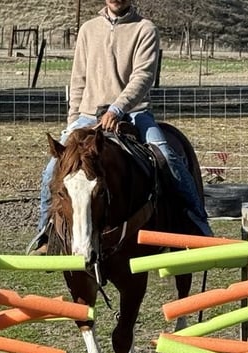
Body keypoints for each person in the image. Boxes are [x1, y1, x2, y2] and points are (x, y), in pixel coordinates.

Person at [30, 0, 211, 254]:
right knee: (52, 169)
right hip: (88, 115)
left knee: (166, 155)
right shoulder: (88, 30)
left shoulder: (145, 29)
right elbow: (78, 79)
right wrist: (73, 123)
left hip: (134, 113)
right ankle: (45, 234)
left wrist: (117, 109)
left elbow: (143, 76)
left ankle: (197, 222)